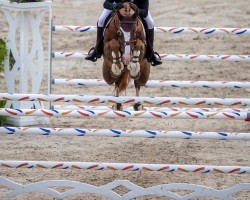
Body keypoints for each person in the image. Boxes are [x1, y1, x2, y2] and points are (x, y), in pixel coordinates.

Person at [85, 0, 162, 66]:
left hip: (136, 9)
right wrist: (115, 7)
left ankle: (152, 53)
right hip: (117, 7)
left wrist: (133, 9)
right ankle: (96, 50)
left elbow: (144, 13)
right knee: (101, 20)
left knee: (150, 23)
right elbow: (106, 3)